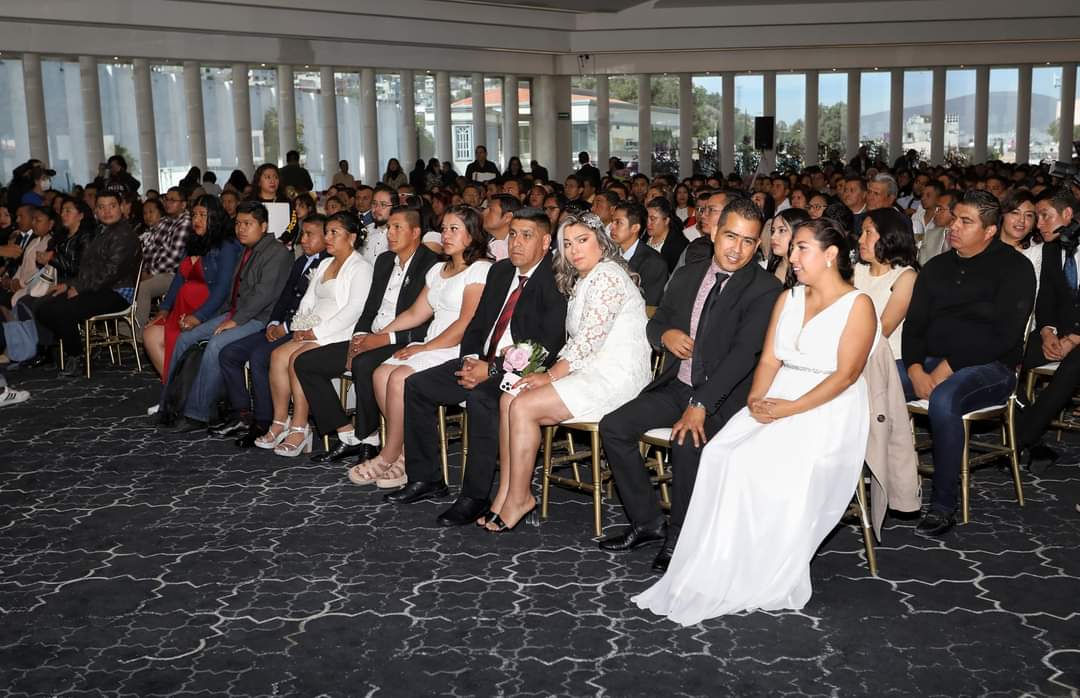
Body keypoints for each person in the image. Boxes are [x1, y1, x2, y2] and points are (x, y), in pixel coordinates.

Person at [633, 218, 877, 623]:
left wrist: (788, 409)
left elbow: (846, 376)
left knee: (754, 462)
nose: (791, 256)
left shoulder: (858, 305)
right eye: (792, 248)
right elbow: (768, 359)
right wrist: (755, 403)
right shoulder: (789, 299)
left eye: (801, 248)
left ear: (831, 255)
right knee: (720, 452)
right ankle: (721, 557)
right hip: (777, 397)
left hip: (828, 408)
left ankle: (760, 564)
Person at [599, 198, 782, 572]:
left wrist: (701, 406)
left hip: (724, 396)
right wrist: (664, 334)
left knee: (686, 441)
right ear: (713, 231)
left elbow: (744, 355)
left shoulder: (764, 289)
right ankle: (647, 522)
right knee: (614, 427)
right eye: (731, 236)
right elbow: (653, 322)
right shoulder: (686, 274)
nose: (737, 249)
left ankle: (681, 537)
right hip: (677, 385)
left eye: (748, 241)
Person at [388, 208, 567, 514]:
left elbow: (549, 344)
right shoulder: (500, 272)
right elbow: (477, 324)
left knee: (483, 399)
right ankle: (427, 478)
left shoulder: (554, 279)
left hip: (524, 370)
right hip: (481, 360)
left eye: (527, 236)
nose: (516, 243)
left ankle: (475, 497)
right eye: (512, 234)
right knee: (416, 385)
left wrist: (493, 369)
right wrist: (471, 360)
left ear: (546, 241)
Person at [483, 212, 652, 532]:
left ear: (601, 242)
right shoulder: (583, 280)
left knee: (522, 404)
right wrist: (543, 372)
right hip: (588, 371)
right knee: (509, 397)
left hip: (615, 377)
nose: (574, 250)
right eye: (568, 244)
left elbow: (588, 341)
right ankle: (506, 493)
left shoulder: (608, 275)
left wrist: (549, 376)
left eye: (583, 241)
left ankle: (520, 498)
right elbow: (574, 345)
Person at [900, 190, 1035, 536]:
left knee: (945, 399)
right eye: (954, 218)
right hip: (929, 360)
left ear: (989, 230)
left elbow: (1005, 336)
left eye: (965, 221)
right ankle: (885, 484)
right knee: (871, 379)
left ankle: (943, 505)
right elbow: (914, 326)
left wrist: (949, 366)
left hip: (992, 367)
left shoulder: (1015, 267)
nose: (953, 226)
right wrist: (915, 368)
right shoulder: (936, 267)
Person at [346, 206, 492, 488]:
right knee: (380, 373)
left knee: (400, 377)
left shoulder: (479, 269)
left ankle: (389, 454)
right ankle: (403, 453)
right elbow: (415, 314)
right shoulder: (438, 269)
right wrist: (379, 335)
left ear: (472, 235)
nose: (446, 235)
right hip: (432, 343)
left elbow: (465, 324)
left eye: (454, 230)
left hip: (456, 348)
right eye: (444, 229)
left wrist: (423, 349)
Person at [296, 206, 439, 465]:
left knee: (364, 363)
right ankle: (347, 433)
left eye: (398, 228)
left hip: (404, 340)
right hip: (371, 335)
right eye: (389, 228)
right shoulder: (384, 261)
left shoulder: (431, 264)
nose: (390, 234)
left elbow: (426, 322)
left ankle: (369, 438)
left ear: (416, 232)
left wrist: (384, 339)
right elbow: (369, 308)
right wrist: (358, 338)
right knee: (305, 363)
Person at [160, 201, 293, 430]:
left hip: (259, 319)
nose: (241, 228)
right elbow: (230, 292)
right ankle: (170, 406)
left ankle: (197, 414)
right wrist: (207, 317)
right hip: (235, 313)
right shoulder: (246, 249)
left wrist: (234, 321)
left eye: (248, 224)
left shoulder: (276, 253)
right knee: (184, 339)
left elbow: (263, 295)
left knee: (216, 344)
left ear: (263, 226)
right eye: (239, 223)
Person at [256, 212, 374, 456]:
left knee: (296, 360)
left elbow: (354, 310)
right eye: (327, 232)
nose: (328, 238)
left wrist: (315, 332)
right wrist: (300, 326)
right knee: (277, 355)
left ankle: (301, 427)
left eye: (334, 233)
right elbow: (308, 301)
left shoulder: (361, 268)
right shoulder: (324, 264)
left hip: (339, 334)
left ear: (351, 237)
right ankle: (280, 422)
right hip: (312, 329)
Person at [213, 214, 331, 445]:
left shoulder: (327, 263)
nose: (303, 240)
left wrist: (285, 327)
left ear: (325, 237)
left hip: (302, 329)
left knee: (260, 356)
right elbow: (285, 297)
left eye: (309, 235)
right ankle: (242, 413)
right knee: (229, 353)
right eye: (302, 234)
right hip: (281, 325)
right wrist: (274, 322)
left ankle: (265, 420)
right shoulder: (300, 262)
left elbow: (316, 307)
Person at [35, 192, 142, 377]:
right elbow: (86, 270)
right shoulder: (101, 232)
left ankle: (76, 355)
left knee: (63, 309)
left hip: (117, 292)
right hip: (97, 288)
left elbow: (110, 272)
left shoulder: (124, 235)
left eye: (112, 206)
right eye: (101, 207)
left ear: (122, 208)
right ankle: (77, 349)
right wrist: (70, 285)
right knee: (43, 307)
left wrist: (78, 288)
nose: (107, 211)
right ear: (96, 211)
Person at [144, 196, 242, 379]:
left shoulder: (226, 246)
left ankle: (179, 394)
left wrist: (198, 316)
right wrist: (164, 309)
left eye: (203, 215)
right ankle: (174, 390)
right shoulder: (193, 242)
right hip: (182, 309)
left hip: (209, 310)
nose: (196, 220)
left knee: (179, 341)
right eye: (194, 215)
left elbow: (222, 290)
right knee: (150, 334)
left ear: (215, 217)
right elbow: (179, 278)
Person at [1016, 187, 1079, 470]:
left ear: (1067, 214)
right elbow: (1046, 299)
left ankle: (1019, 439)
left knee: (1067, 374)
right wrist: (1047, 332)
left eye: (1045, 216)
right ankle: (1024, 426)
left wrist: (1074, 338)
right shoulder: (1053, 250)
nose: (1038, 224)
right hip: (1058, 333)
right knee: (1007, 355)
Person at [854, 208, 919, 363]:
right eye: (861, 233)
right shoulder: (858, 269)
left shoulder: (906, 277)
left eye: (868, 233)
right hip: (853, 352)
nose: (860, 240)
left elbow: (883, 329)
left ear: (888, 236)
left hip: (888, 360)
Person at [135, 187, 193, 338]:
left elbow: (174, 257)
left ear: (183, 204)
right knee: (129, 281)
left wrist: (150, 272)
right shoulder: (165, 221)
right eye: (166, 199)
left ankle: (139, 334)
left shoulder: (185, 223)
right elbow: (149, 249)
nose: (168, 203)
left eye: (173, 200)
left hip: (174, 274)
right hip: (154, 270)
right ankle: (125, 331)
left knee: (143, 288)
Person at [610, 201, 667, 306]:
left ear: (635, 228)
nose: (611, 227)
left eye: (618, 222)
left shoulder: (654, 263)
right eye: (612, 221)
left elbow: (648, 304)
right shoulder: (609, 255)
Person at [765, 208, 810, 284]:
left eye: (782, 230)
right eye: (773, 231)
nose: (773, 237)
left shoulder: (809, 274)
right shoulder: (765, 266)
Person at [645, 197, 688, 273]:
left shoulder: (678, 245)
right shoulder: (644, 237)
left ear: (666, 221)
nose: (648, 223)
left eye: (653, 219)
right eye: (647, 218)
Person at [917, 189, 959, 266]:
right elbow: (922, 264)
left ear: (955, 211)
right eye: (936, 209)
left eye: (940, 209)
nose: (935, 212)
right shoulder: (930, 235)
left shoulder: (964, 238)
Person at [359, 185, 398, 265]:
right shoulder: (365, 230)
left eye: (383, 205)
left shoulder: (400, 234)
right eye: (374, 204)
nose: (376, 209)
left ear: (395, 207)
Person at [483, 194, 522, 262]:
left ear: (507, 217)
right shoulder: (486, 239)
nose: (484, 212)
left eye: (490, 210)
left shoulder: (514, 249)